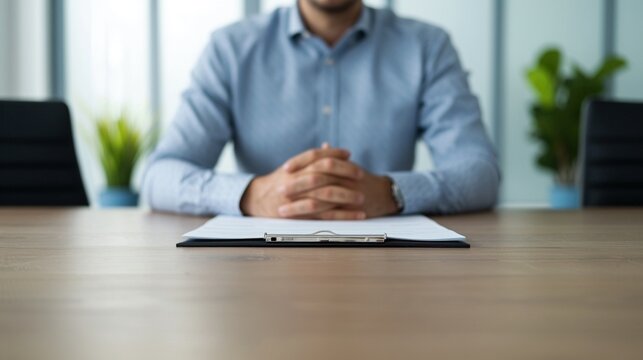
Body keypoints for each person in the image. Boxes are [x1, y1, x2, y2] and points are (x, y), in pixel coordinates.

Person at [143, 0, 500, 220]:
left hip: (389, 271)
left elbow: (480, 174)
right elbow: (160, 176)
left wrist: (394, 192)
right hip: (261, 271)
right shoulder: (230, 49)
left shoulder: (427, 46)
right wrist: (251, 195)